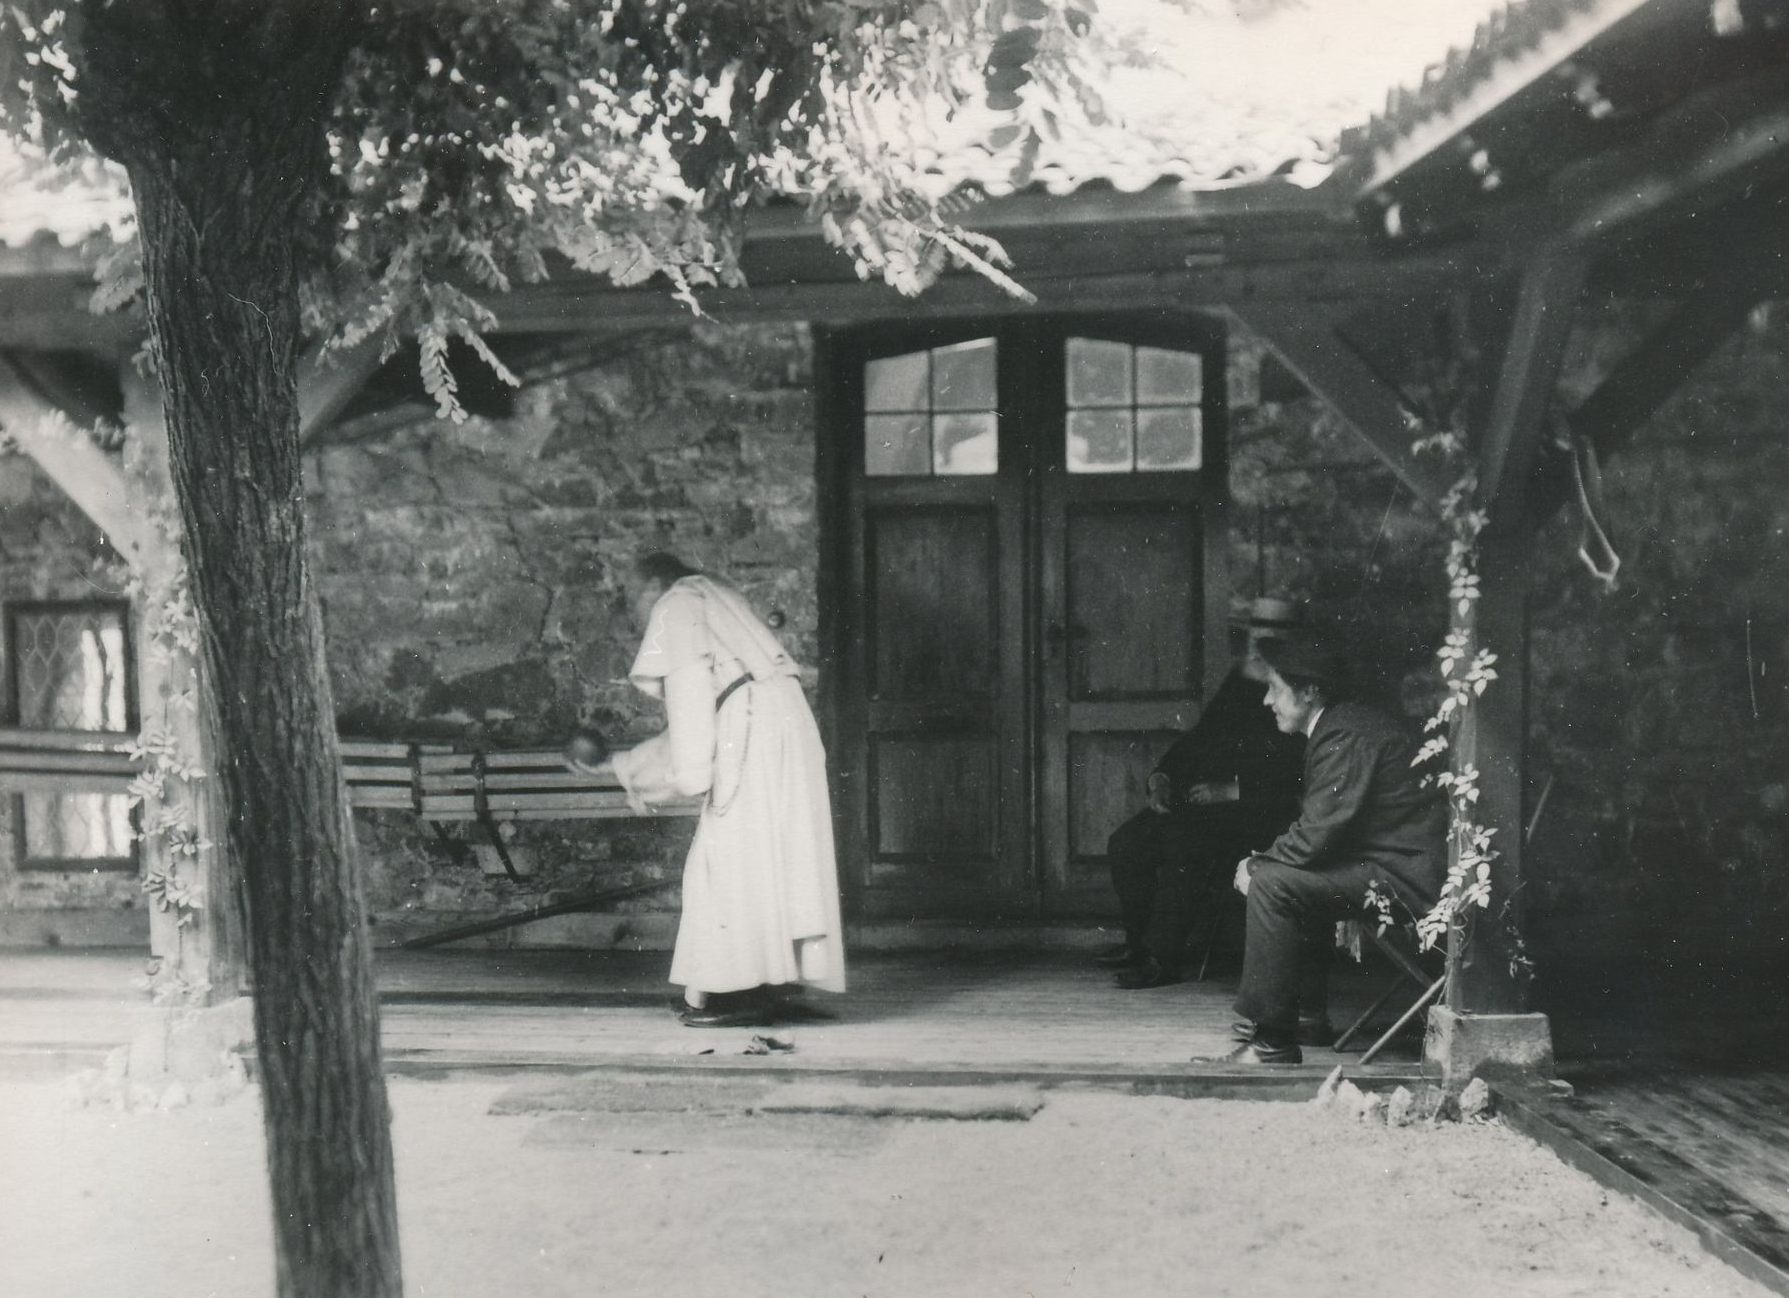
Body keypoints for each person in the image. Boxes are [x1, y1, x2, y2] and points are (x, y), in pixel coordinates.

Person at [596, 552, 846, 1028]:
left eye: (629, 595)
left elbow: (692, 725)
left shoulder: (676, 604)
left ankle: (731, 993)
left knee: (725, 859)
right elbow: (717, 704)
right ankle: (775, 983)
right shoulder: (717, 595)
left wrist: (687, 778)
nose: (629, 611)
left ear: (653, 586)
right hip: (783, 723)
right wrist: (622, 766)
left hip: (750, 731)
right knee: (779, 856)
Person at [1219, 638, 1446, 1065]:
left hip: (1409, 879)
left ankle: (1272, 1043)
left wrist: (1257, 864)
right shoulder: (1342, 725)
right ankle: (1306, 1016)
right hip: (1394, 865)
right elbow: (1322, 833)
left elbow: (1315, 836)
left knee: (1273, 884)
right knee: (1290, 877)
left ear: (1310, 692)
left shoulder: (1346, 732)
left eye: (1275, 688)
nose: (1267, 701)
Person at [1098, 597, 1307, 989]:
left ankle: (1162, 957)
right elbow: (1202, 738)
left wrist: (1233, 789)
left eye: (1268, 638)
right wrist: (1162, 776)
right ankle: (1139, 944)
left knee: (1185, 842)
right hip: (1213, 807)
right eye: (1254, 635)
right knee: (1126, 843)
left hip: (1264, 812)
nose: (1257, 647)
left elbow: (1300, 772)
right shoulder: (1244, 679)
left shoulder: (1300, 687)